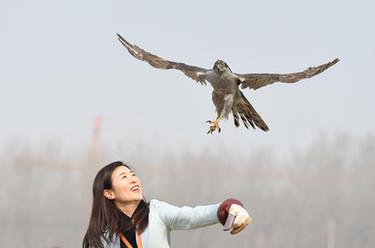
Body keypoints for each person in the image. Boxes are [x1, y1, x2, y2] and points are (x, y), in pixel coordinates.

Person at [82, 161, 251, 248]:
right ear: (109, 193)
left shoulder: (156, 213)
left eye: (133, 174)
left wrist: (227, 208)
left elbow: (192, 216)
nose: (134, 179)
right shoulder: (102, 238)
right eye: (124, 177)